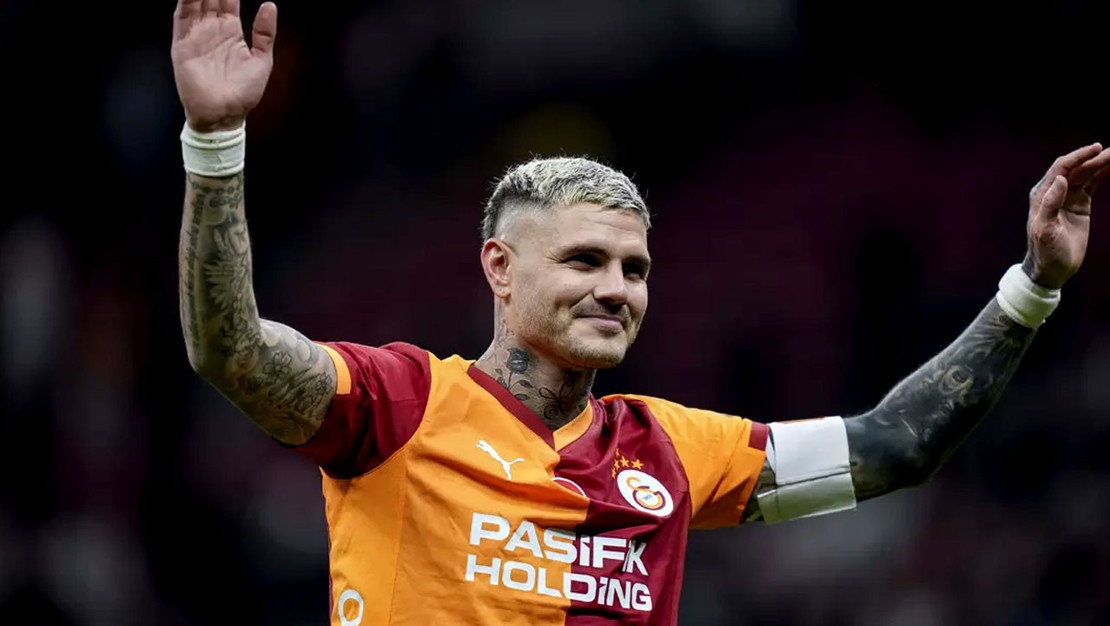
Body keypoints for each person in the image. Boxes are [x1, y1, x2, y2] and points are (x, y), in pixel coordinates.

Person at [172, 1, 1108, 625]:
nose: (617, 289)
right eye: (584, 261)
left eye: (635, 268)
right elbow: (231, 351)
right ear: (500, 268)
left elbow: (895, 446)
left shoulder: (671, 452)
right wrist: (215, 143)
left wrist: (1033, 287)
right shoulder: (402, 404)